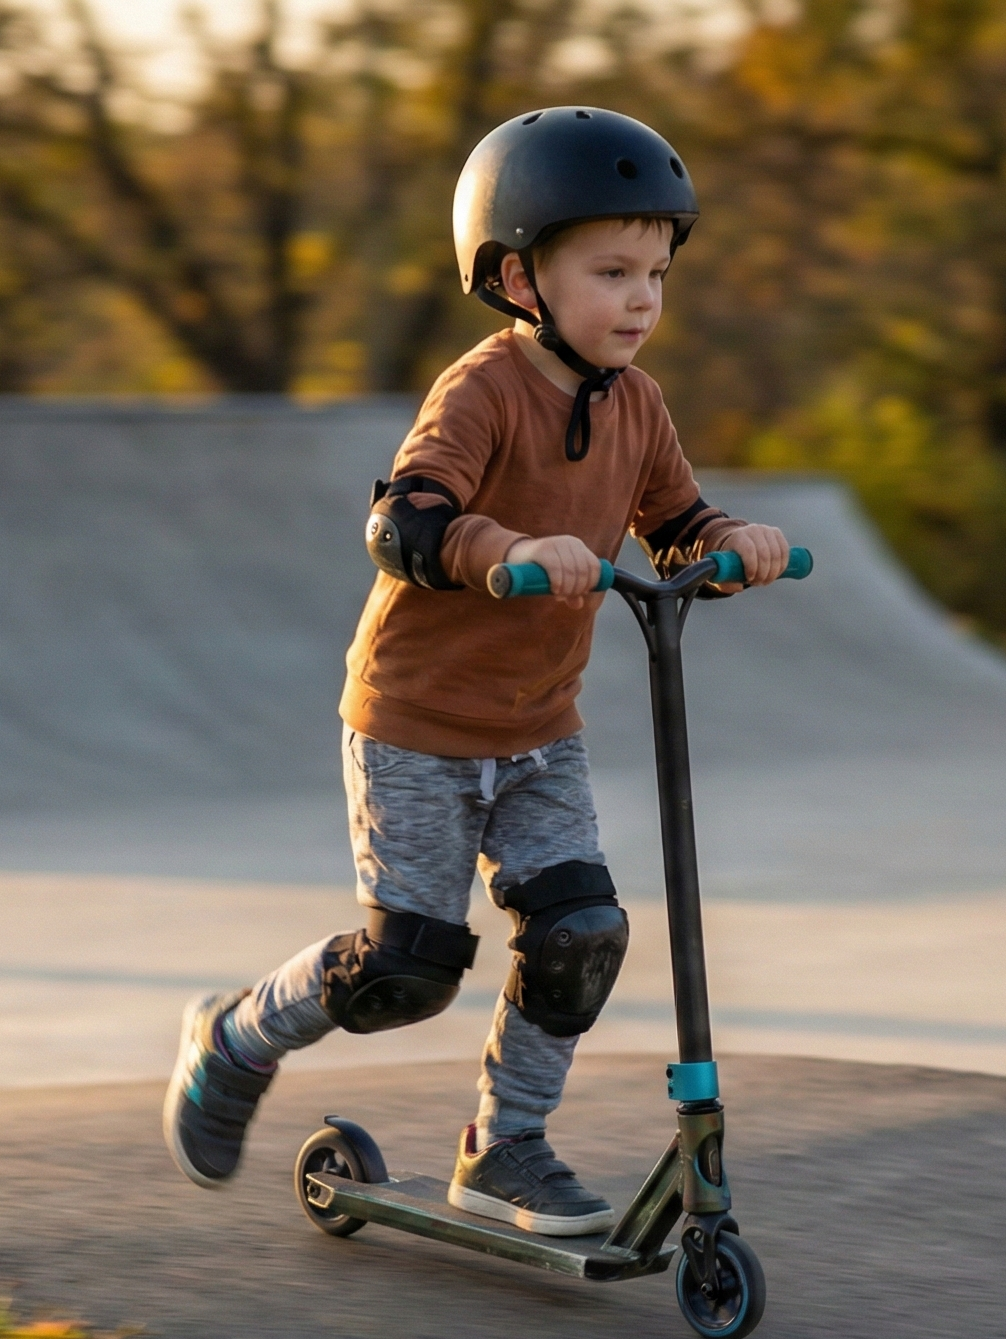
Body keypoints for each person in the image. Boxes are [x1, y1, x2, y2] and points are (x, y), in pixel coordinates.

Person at [162, 106, 790, 1236]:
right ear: (514, 275)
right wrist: (504, 554)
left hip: (540, 728)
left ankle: (504, 1148)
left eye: (656, 272)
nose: (642, 299)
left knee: (579, 936)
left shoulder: (639, 406)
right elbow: (403, 520)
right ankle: (236, 1036)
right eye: (610, 271)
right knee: (406, 971)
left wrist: (733, 545)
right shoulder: (483, 391)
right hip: (416, 723)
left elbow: (677, 523)